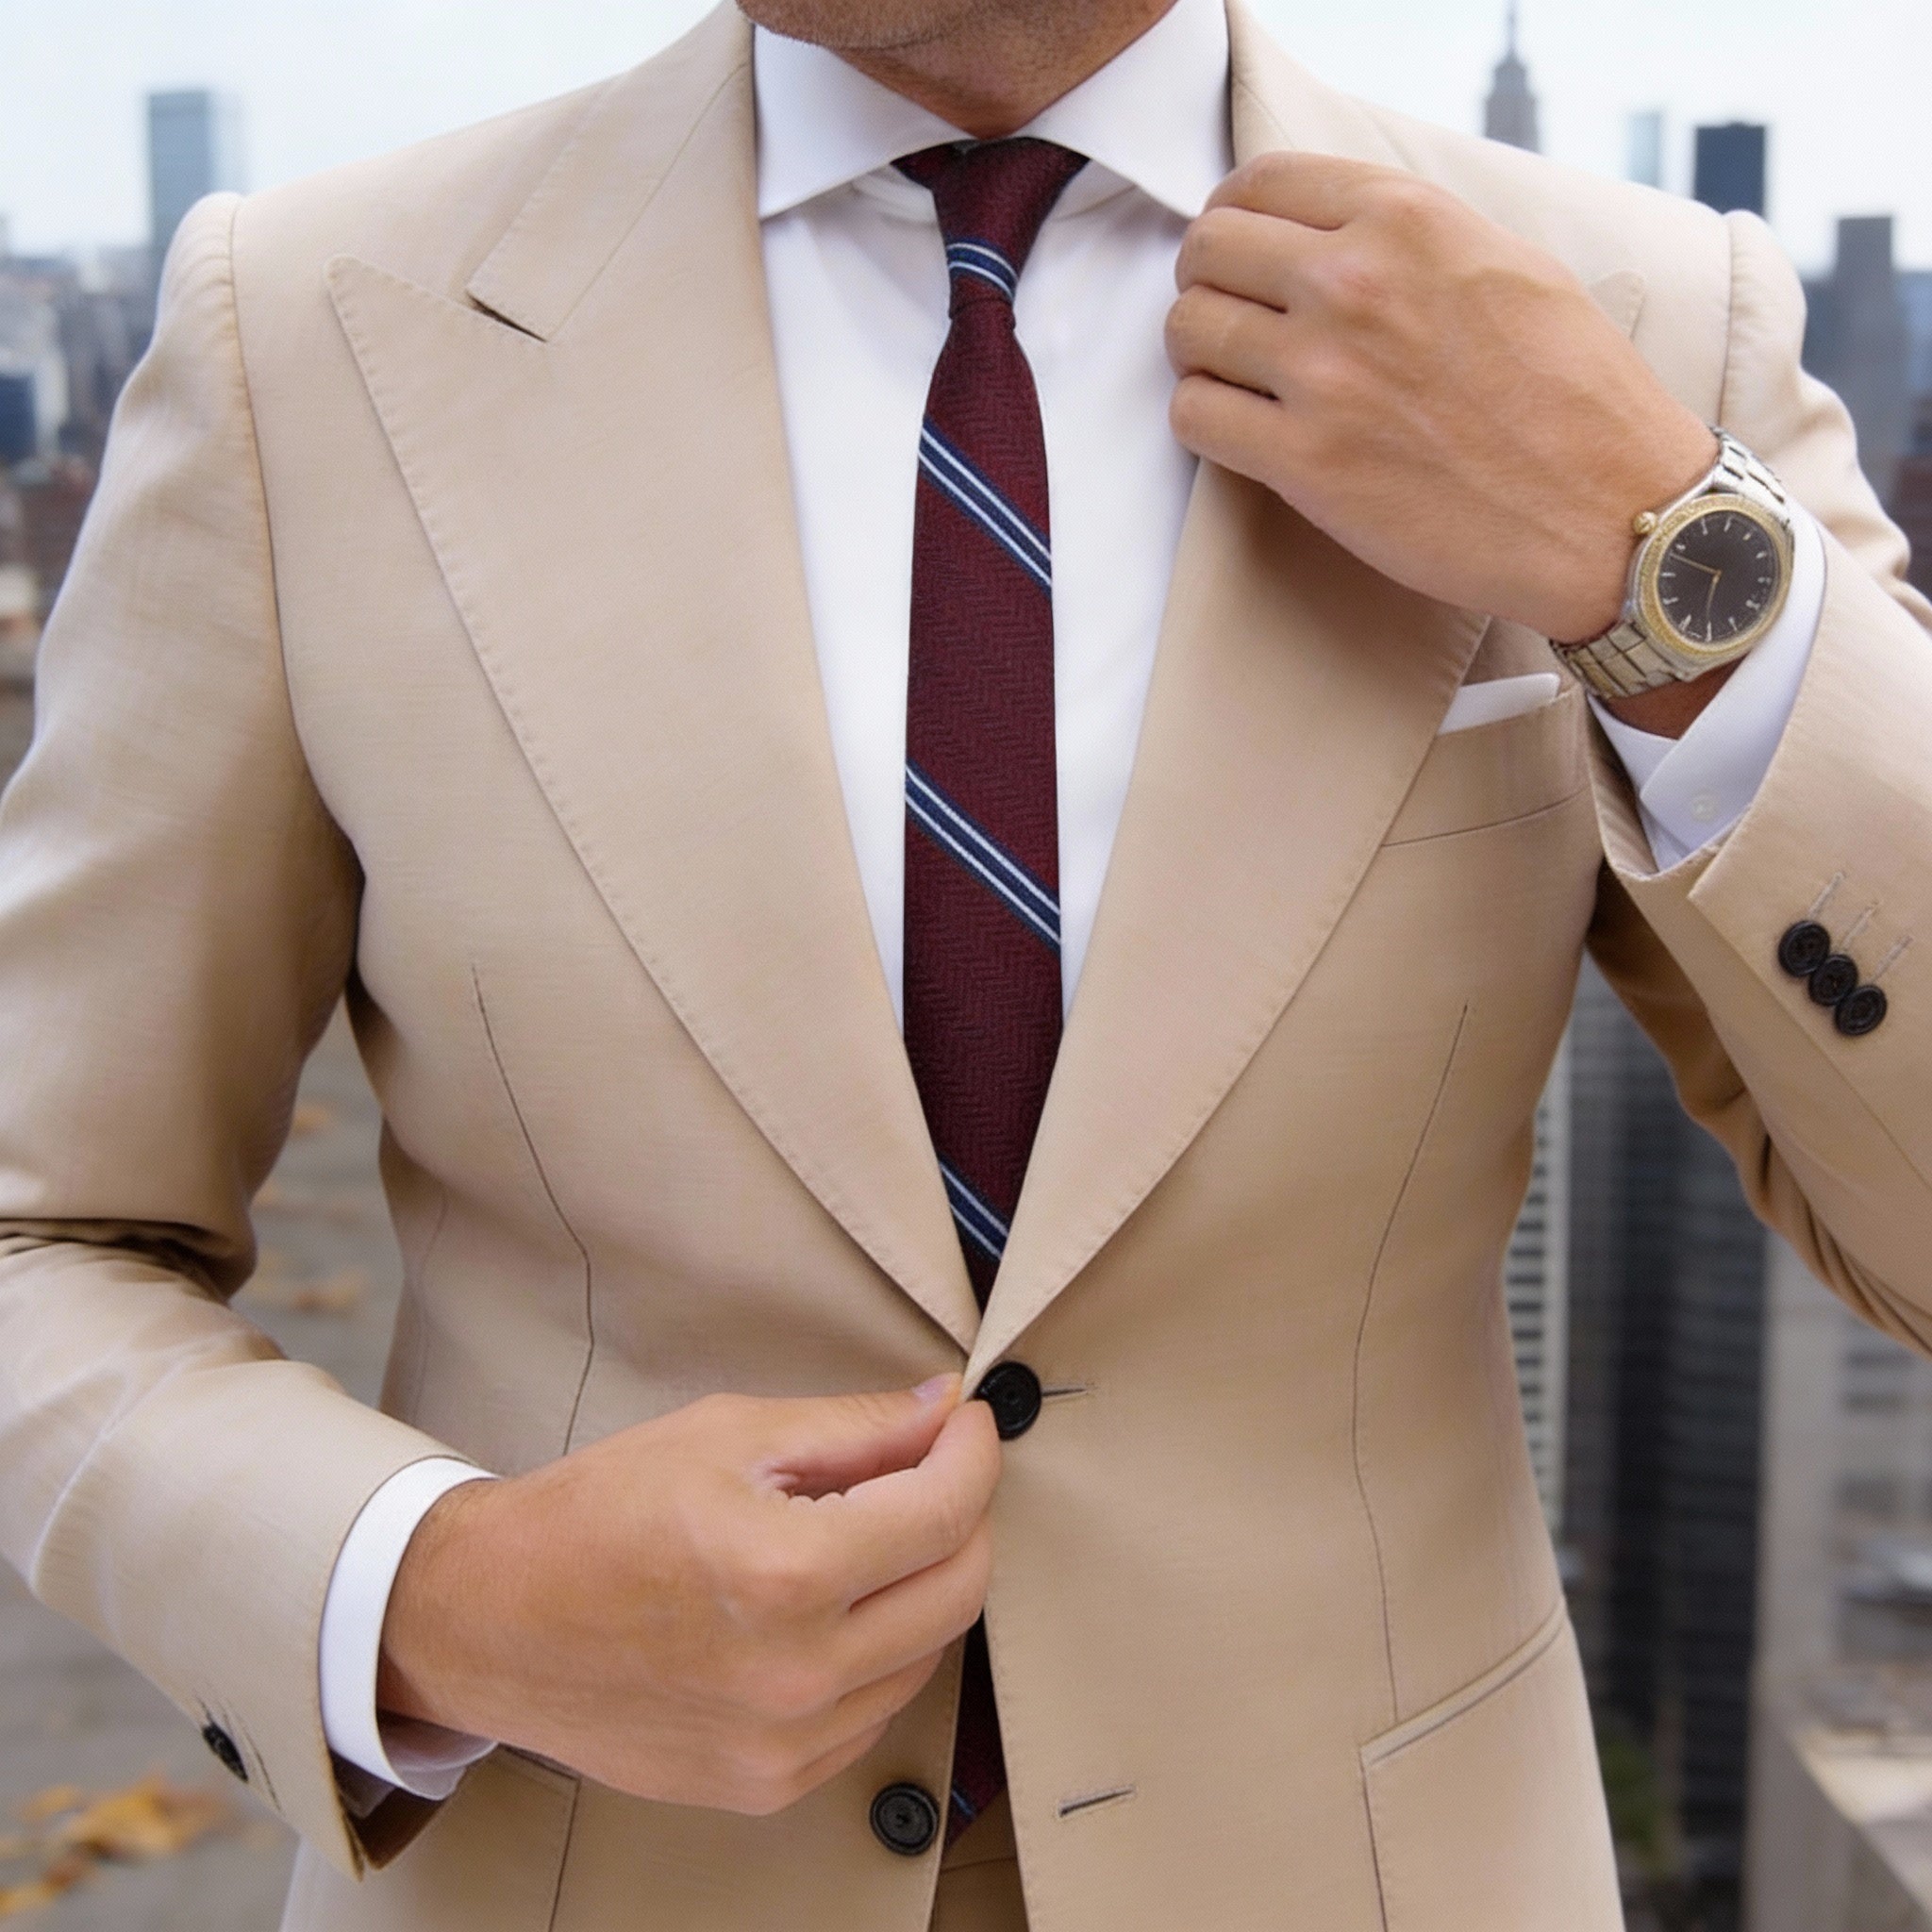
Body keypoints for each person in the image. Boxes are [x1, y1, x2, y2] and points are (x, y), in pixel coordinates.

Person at [1, 0, 1927, 1925]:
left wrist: (1657, 559)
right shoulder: (312, 329)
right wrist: (436, 1597)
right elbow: (42, 1236)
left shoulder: (1644, 325)